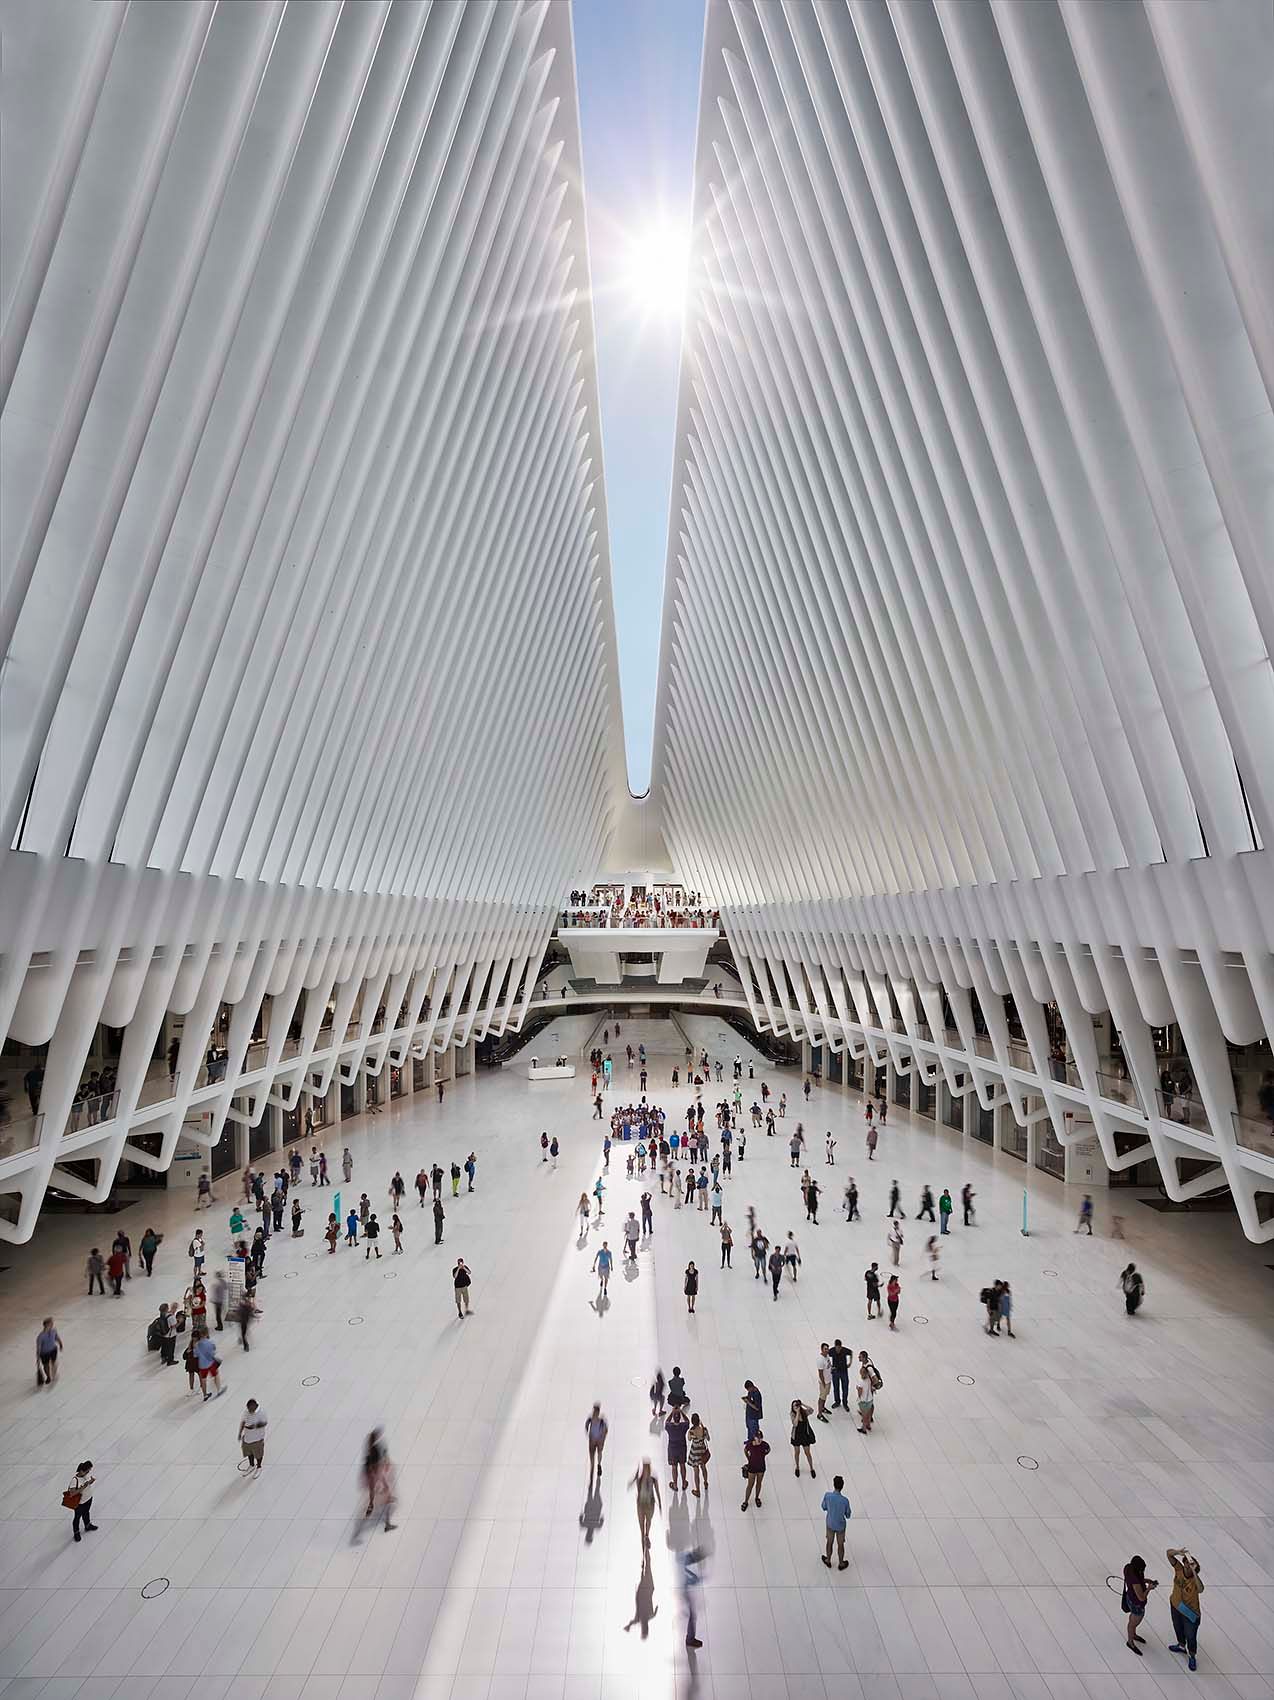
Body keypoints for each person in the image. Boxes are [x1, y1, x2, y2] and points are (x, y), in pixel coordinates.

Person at [1166, 1547, 1203, 1670]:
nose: (1187, 1564)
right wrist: (1178, 1552)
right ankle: (1181, 1645)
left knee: (1191, 1635)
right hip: (1176, 1605)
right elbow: (1168, 1554)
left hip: (1190, 1613)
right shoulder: (1179, 1569)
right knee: (1177, 1627)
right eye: (1186, 1562)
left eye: (1191, 1564)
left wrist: (1194, 1572)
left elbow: (1201, 1589)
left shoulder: (1194, 1581)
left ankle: (1192, 1656)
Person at [1121, 1554, 1157, 1654]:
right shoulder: (1135, 1580)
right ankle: (1130, 1641)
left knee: (1132, 1620)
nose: (1143, 1571)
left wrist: (1145, 1581)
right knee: (1133, 1623)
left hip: (1130, 1598)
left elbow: (1133, 1582)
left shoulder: (1128, 1568)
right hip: (1136, 1604)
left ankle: (1133, 1635)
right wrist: (1149, 1588)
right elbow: (1141, 1598)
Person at [821, 1475, 852, 1570]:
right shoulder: (845, 1501)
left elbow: (823, 1507)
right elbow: (848, 1515)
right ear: (842, 1486)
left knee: (829, 1542)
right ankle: (841, 1563)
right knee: (840, 1544)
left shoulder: (828, 1496)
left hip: (830, 1524)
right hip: (840, 1526)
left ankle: (828, 1560)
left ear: (833, 1484)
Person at [630, 1459, 661, 1549]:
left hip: (650, 1504)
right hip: (640, 1504)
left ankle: (646, 1535)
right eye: (644, 1468)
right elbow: (630, 1485)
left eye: (647, 1468)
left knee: (648, 1521)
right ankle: (644, 1540)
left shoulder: (653, 1479)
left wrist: (660, 1503)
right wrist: (634, 1477)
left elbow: (657, 1491)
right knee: (641, 1526)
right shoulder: (639, 1479)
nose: (646, 1470)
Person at [65, 1460, 98, 1541]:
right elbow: (72, 1493)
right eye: (87, 1471)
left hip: (88, 1499)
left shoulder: (85, 1475)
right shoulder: (74, 1480)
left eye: (89, 1471)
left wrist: (91, 1481)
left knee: (87, 1513)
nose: (88, 1472)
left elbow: (87, 1484)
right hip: (80, 1503)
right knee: (77, 1518)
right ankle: (76, 1532)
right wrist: (83, 1487)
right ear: (81, 1471)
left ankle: (87, 1525)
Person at [741, 1427, 770, 1510]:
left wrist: (763, 1455)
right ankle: (746, 1501)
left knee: (759, 1483)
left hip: (761, 1467)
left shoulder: (764, 1445)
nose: (759, 1440)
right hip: (752, 1467)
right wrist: (749, 1458)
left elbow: (768, 1450)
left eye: (761, 1438)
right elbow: (745, 1450)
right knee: (750, 1485)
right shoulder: (750, 1444)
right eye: (758, 1438)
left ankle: (757, 1497)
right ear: (754, 1437)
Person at [790, 1398, 817, 1477]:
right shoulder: (792, 1414)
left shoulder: (804, 1412)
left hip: (805, 1435)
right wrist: (798, 1413)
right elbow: (795, 1424)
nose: (796, 1407)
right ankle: (797, 1467)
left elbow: (811, 1410)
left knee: (807, 1453)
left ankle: (811, 1468)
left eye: (797, 1405)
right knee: (797, 1452)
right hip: (797, 1436)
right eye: (794, 1406)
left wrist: (803, 1404)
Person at [238, 1400, 267, 1474]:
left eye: (250, 1408)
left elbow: (264, 1423)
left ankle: (259, 1466)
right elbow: (243, 1422)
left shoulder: (261, 1412)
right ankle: (251, 1465)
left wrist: (254, 1426)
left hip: (257, 1438)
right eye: (248, 1408)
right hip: (247, 1438)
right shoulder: (246, 1412)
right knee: (248, 1452)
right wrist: (240, 1433)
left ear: (254, 1406)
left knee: (258, 1454)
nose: (249, 1410)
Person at [665, 1405, 689, 1490]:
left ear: (674, 1419)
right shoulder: (683, 1426)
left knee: (674, 1467)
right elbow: (687, 1421)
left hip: (672, 1449)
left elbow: (666, 1422)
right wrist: (681, 1412)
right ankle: (683, 1483)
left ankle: (675, 1485)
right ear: (679, 1418)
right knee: (682, 1465)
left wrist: (672, 1412)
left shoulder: (669, 1427)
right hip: (682, 1449)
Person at [688, 1412, 711, 1496]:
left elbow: (689, 1439)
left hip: (695, 1453)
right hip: (702, 1452)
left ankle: (697, 1490)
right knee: (704, 1468)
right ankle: (705, 1482)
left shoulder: (691, 1431)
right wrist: (703, 1426)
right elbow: (708, 1439)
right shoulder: (704, 1430)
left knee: (696, 1472)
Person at [36, 1317, 63, 1386]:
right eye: (51, 1323)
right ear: (46, 1325)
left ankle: (54, 1373)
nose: (52, 1324)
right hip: (44, 1353)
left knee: (54, 1362)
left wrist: (60, 1344)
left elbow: (56, 1337)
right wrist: (38, 1358)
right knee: (46, 1365)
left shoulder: (54, 1330)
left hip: (53, 1350)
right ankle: (48, 1376)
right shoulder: (40, 1336)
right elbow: (38, 1348)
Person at [856, 1352, 878, 1433]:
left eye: (860, 1357)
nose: (858, 1358)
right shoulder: (867, 1362)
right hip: (868, 1388)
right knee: (870, 1403)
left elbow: (875, 1379)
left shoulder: (869, 1368)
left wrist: (873, 1387)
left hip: (868, 1390)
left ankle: (867, 1419)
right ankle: (868, 1419)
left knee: (868, 1406)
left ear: (865, 1358)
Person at [585, 1403, 608, 1479]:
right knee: (591, 1456)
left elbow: (606, 1430)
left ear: (598, 1412)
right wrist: (588, 1434)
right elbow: (586, 1425)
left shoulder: (602, 1420)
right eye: (593, 1410)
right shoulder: (590, 1419)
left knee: (599, 1453)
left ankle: (598, 1464)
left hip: (599, 1441)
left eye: (596, 1411)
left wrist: (602, 1439)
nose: (594, 1412)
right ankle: (592, 1468)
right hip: (592, 1441)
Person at [829, 1339, 851, 1411]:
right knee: (836, 1387)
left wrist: (850, 1363)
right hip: (835, 1372)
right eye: (837, 1348)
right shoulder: (832, 1351)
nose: (838, 1349)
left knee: (845, 1388)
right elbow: (826, 1356)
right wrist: (830, 1366)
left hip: (844, 1371)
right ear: (835, 1346)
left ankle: (845, 1403)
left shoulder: (844, 1350)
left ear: (841, 1347)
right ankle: (837, 1401)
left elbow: (851, 1353)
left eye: (839, 1348)